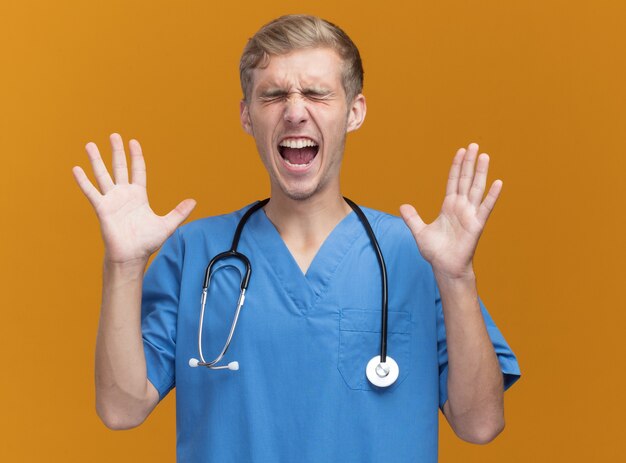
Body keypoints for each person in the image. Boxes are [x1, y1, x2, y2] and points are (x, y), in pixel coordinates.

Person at [73, 14, 520, 462]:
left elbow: (480, 424)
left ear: (355, 111)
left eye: (316, 93)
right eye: (273, 95)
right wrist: (124, 267)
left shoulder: (418, 255)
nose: (294, 110)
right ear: (247, 115)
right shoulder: (196, 254)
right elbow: (120, 408)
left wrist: (458, 278)